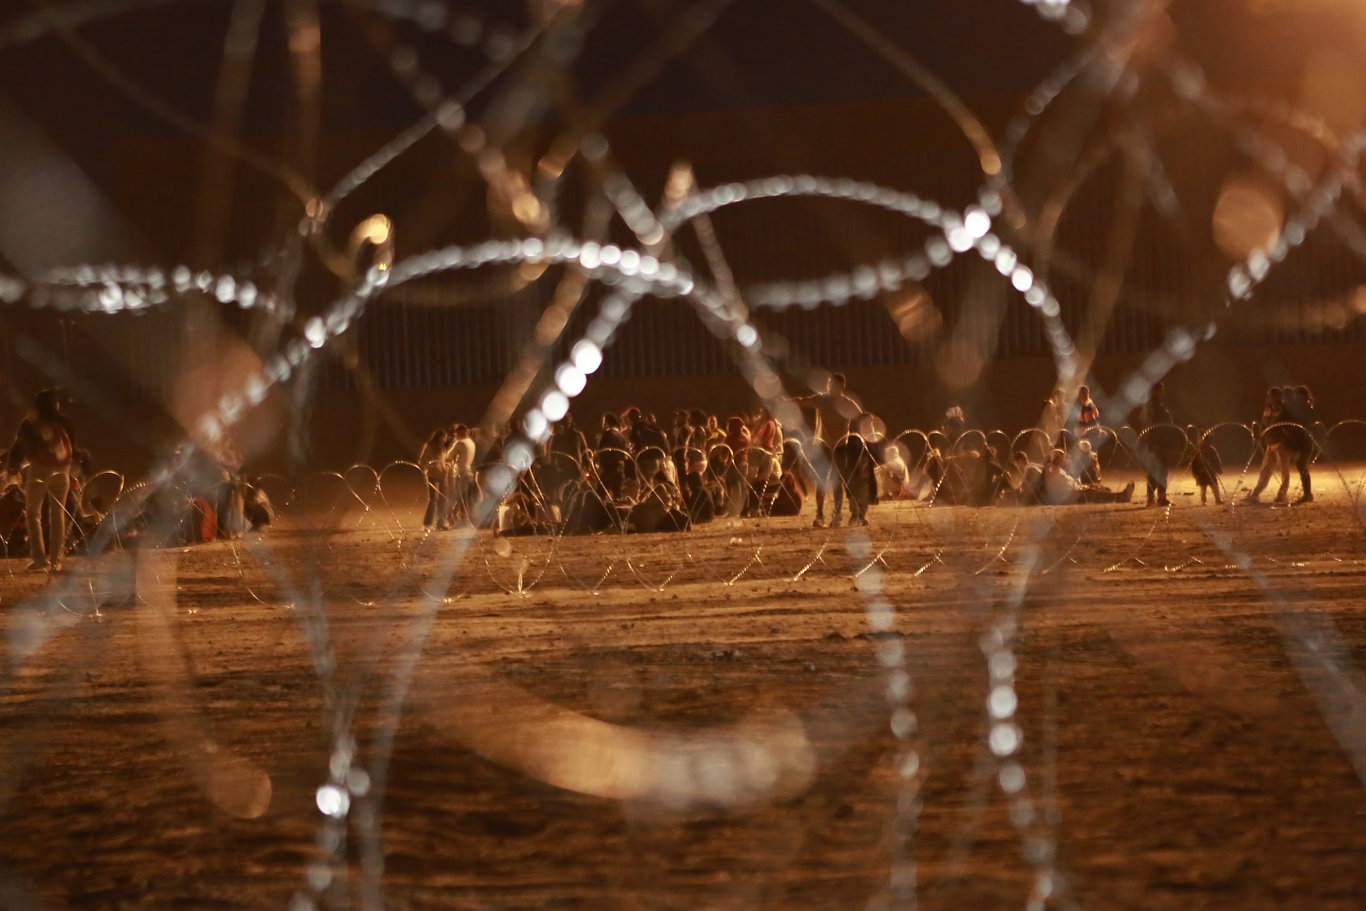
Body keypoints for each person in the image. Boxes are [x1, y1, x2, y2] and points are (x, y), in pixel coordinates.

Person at [5, 389, 77, 572]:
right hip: (63, 470)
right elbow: (73, 447)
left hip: (40, 469)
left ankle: (39, 559)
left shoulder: (30, 424)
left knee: (33, 513)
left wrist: (12, 466)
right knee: (57, 514)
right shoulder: (65, 422)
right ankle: (56, 560)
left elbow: (19, 447)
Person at [791, 372, 864, 527]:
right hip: (823, 446)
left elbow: (861, 416)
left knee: (838, 483)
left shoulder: (848, 403)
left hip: (840, 447)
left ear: (842, 386)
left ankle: (836, 516)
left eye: (833, 384)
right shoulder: (822, 399)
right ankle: (819, 516)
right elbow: (803, 401)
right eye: (829, 383)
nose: (829, 386)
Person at [1136, 381, 1176, 507]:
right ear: (1155, 391)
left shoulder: (1151, 406)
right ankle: (1159, 498)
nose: (1162, 392)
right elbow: (1155, 426)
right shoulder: (1155, 406)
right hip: (1158, 444)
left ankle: (1154, 498)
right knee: (1160, 471)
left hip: (1155, 443)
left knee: (1154, 472)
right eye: (1161, 390)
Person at [418, 427, 452, 529]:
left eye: (446, 438)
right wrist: (428, 466)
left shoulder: (444, 448)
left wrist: (447, 467)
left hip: (443, 475)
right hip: (432, 475)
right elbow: (422, 460)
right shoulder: (429, 446)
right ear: (439, 437)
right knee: (433, 499)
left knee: (444, 499)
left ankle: (441, 522)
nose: (445, 440)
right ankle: (427, 524)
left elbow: (448, 460)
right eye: (444, 437)